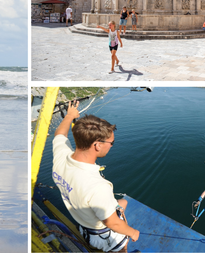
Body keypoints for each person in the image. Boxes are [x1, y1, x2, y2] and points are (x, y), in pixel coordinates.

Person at [52, 101, 140, 252]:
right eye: (111, 143)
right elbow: (113, 223)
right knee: (122, 244)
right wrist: (133, 232)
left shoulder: (61, 155)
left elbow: (60, 134)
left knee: (123, 202)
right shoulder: (97, 186)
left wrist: (69, 116)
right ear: (97, 145)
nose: (112, 145)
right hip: (102, 237)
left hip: (84, 225)